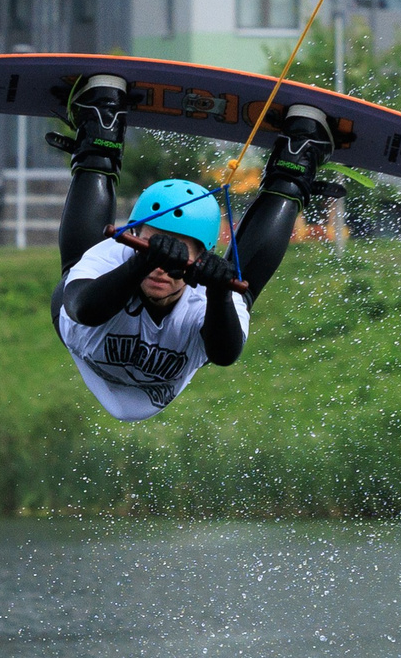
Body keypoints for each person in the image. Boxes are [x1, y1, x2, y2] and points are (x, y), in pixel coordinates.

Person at [44, 73, 338, 420]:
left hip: (155, 380)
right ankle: (100, 127)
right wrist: (141, 261)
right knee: (77, 270)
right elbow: (81, 309)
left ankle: (294, 163)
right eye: (150, 247)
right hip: (87, 333)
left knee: (236, 293)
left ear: (200, 257)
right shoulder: (113, 257)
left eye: (178, 257)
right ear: (134, 238)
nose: (160, 270)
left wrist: (218, 292)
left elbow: (225, 354)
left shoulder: (201, 297)